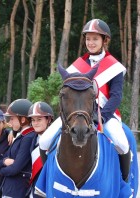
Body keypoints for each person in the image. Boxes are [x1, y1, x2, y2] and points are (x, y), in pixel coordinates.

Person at [39, 19, 131, 182]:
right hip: (76, 114)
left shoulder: (114, 67)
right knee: (45, 140)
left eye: (95, 39)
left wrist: (102, 117)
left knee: (122, 144)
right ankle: (46, 180)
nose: (91, 42)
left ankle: (123, 184)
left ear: (105, 40)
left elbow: (116, 96)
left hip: (105, 115)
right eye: (88, 39)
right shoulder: (77, 66)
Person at [0, 99, 36, 198]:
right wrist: (5, 161)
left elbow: (15, 168)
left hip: (16, 190)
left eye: (12, 119)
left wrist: (1, 171)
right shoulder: (21, 135)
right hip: (10, 188)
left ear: (23, 120)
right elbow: (2, 160)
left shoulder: (28, 138)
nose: (10, 122)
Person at [27, 102, 54, 198]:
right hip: (34, 186)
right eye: (33, 120)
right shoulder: (31, 137)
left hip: (49, 186)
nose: (35, 123)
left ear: (49, 119)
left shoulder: (56, 139)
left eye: (39, 119)